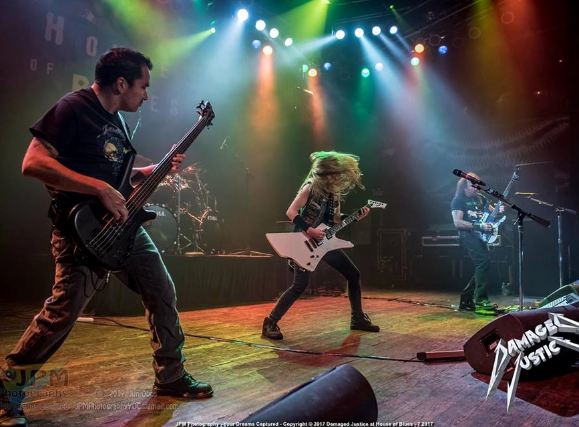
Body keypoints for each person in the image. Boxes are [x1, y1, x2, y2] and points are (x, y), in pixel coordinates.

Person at [0, 48, 212, 427]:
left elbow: (116, 177)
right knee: (61, 315)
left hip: (122, 227)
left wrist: (150, 170)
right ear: (121, 84)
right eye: (143, 87)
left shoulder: (118, 122)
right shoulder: (73, 107)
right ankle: (6, 390)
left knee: (161, 290)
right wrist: (98, 188)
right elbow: (33, 163)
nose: (145, 95)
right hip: (81, 232)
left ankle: (170, 375)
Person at [262, 151, 380, 340]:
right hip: (304, 242)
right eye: (336, 174)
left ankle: (357, 318)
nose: (339, 178)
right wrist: (310, 230)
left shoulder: (334, 195)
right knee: (299, 286)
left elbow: (335, 220)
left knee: (353, 274)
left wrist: (355, 217)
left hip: (325, 243)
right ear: (328, 173)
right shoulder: (310, 188)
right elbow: (291, 212)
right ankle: (270, 323)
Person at [451, 173, 504, 315]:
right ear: (464, 187)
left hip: (480, 236)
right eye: (472, 184)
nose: (476, 187)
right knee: (483, 262)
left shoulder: (481, 198)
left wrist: (498, 211)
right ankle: (480, 300)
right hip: (467, 235)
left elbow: (492, 213)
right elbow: (457, 223)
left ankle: (466, 299)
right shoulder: (458, 200)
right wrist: (479, 226)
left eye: (477, 184)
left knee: (484, 264)